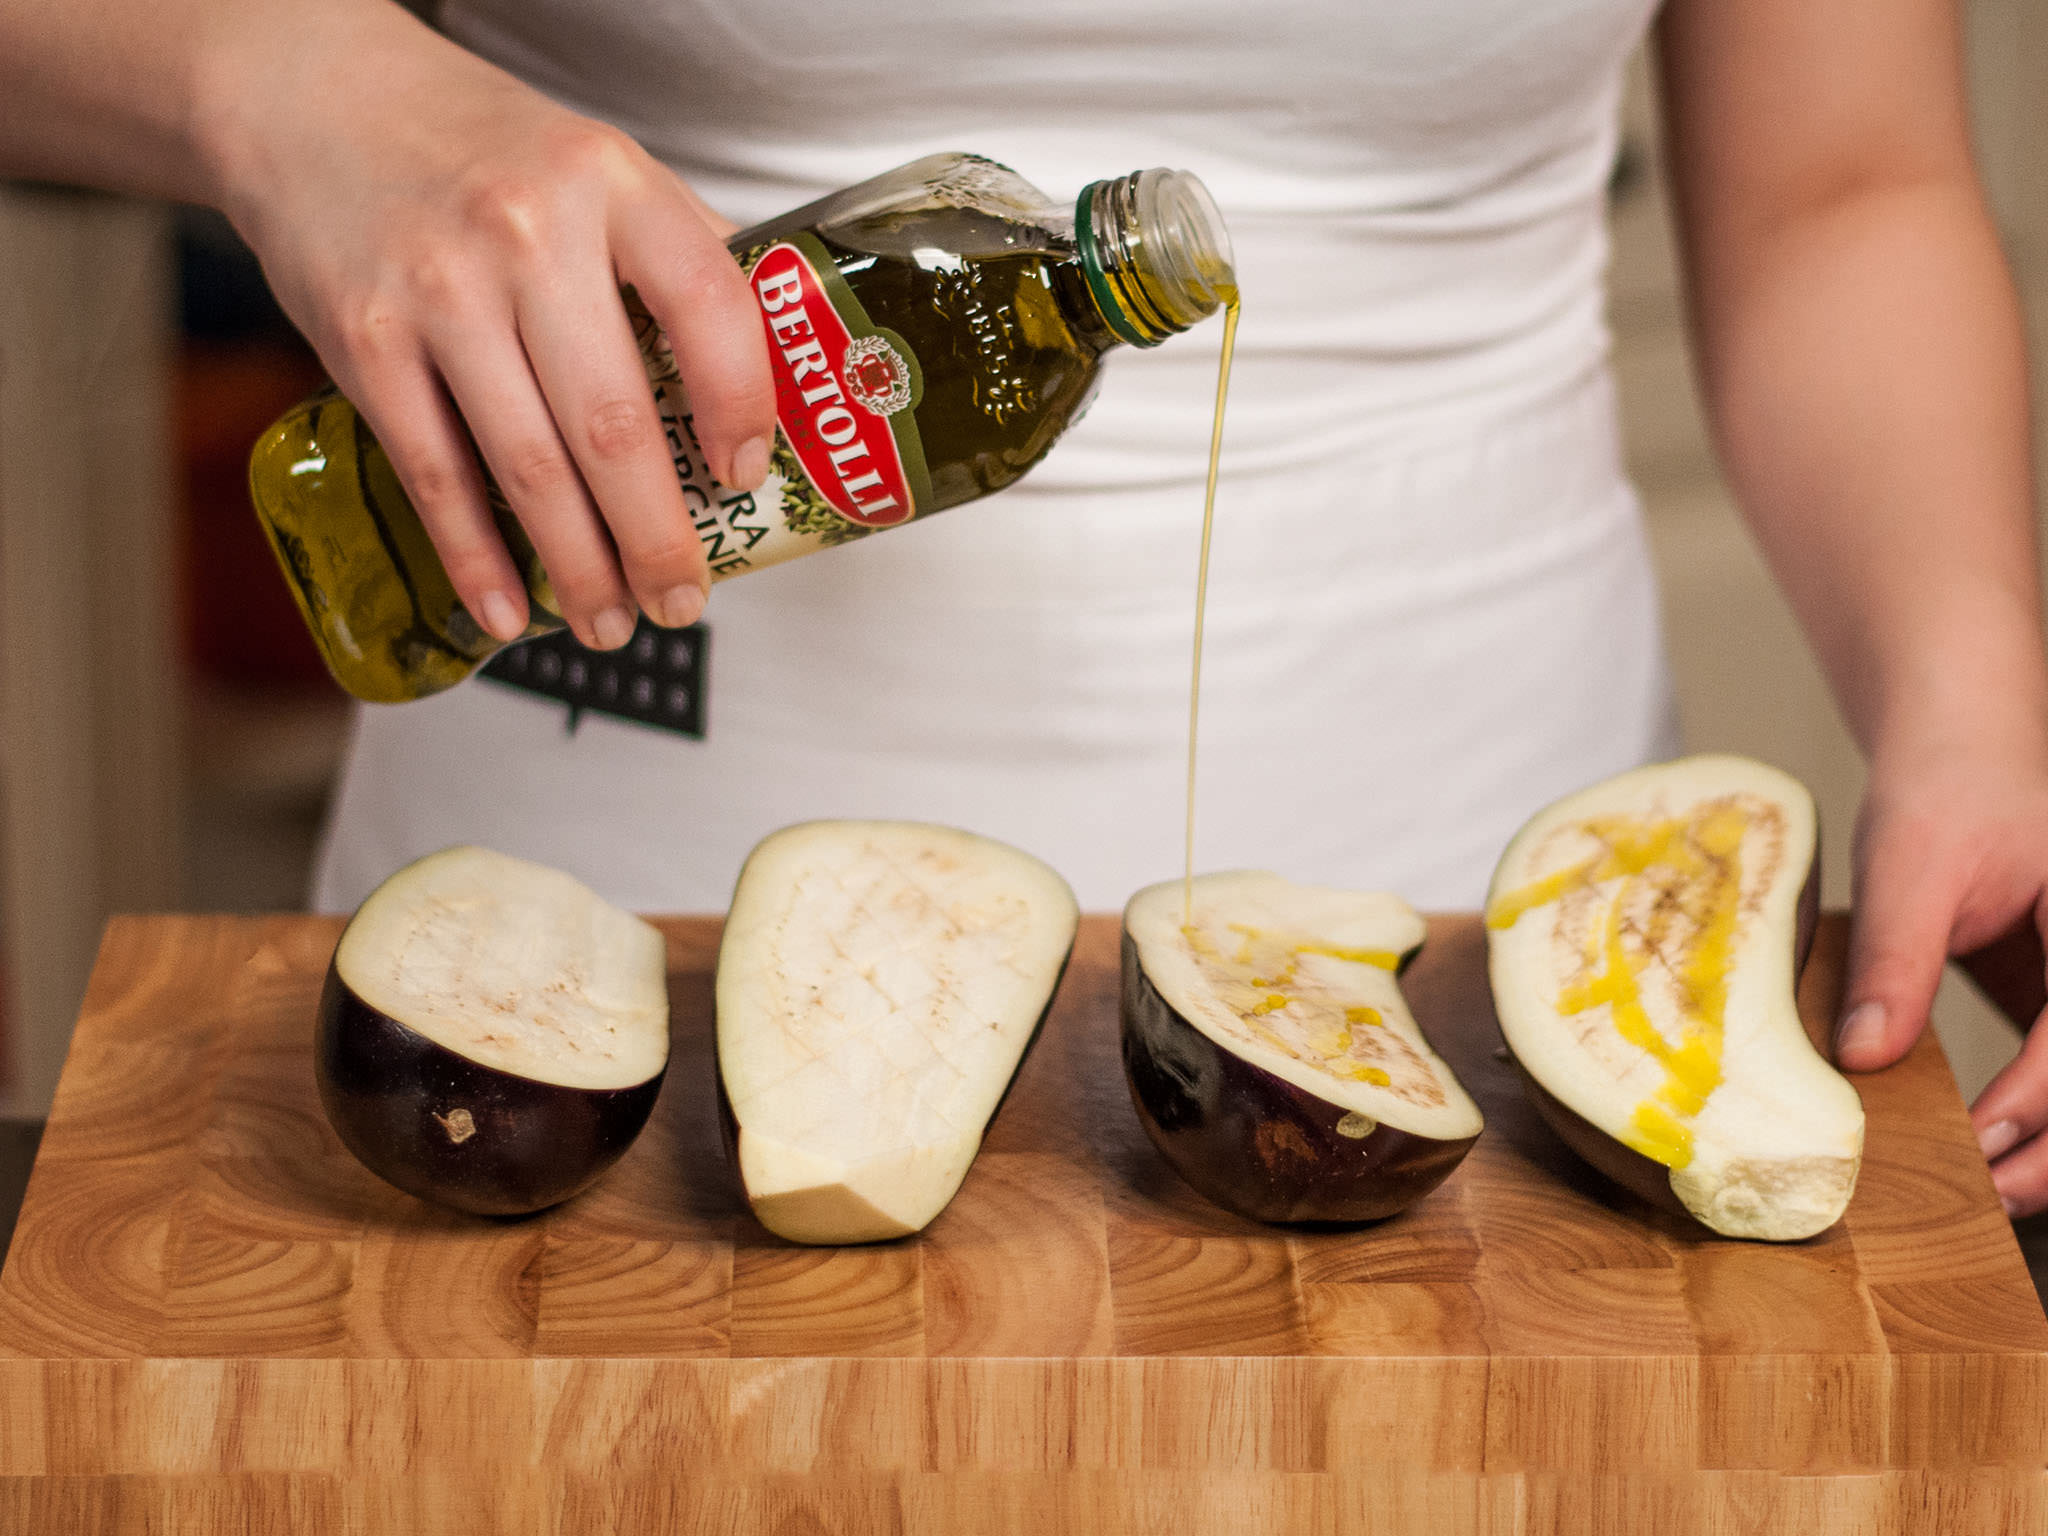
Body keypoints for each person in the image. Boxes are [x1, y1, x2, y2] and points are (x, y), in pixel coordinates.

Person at [7, 0, 2048, 1214]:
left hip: (1496, 946)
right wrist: (276, 69)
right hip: (593, 949)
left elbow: (1840, 189)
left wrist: (1975, 690)